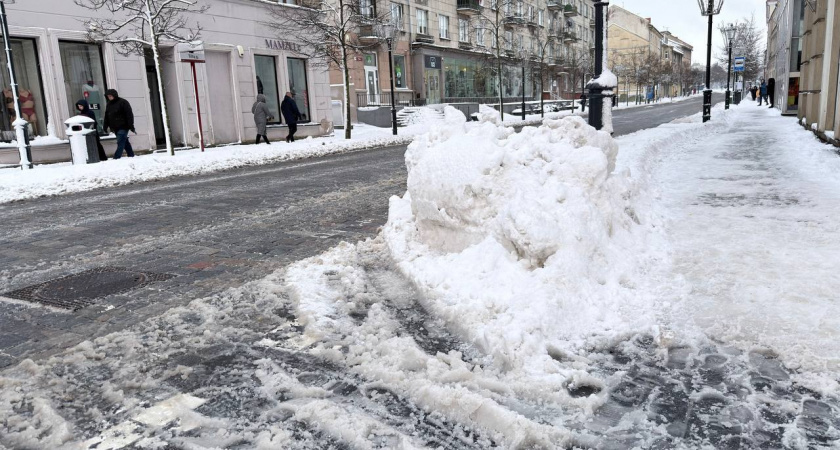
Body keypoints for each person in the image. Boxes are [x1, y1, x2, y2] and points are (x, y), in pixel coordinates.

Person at [103, 89, 135, 159]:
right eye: (108, 96)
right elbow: (107, 116)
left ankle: (116, 157)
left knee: (120, 142)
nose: (109, 97)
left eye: (111, 96)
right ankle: (131, 155)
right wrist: (105, 126)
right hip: (114, 127)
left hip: (123, 126)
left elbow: (129, 114)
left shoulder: (123, 102)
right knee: (124, 141)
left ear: (114, 95)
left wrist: (131, 125)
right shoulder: (109, 104)